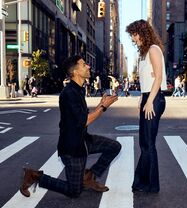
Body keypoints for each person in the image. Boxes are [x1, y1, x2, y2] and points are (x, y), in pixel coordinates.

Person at [20, 55, 121, 198]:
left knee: (114, 147)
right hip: (72, 149)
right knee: (74, 191)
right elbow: (84, 121)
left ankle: (89, 177)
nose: (88, 66)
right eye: (84, 64)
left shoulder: (78, 89)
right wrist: (104, 107)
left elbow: (82, 116)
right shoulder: (69, 93)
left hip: (84, 141)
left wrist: (100, 104)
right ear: (75, 72)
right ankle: (34, 176)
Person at [126, 19, 167, 193]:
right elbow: (149, 78)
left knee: (148, 143)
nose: (133, 39)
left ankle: (151, 184)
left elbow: (158, 77)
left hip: (154, 99)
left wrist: (149, 100)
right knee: (144, 143)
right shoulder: (144, 53)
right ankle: (144, 182)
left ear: (142, 32)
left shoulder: (153, 49)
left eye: (134, 35)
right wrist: (142, 98)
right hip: (148, 97)